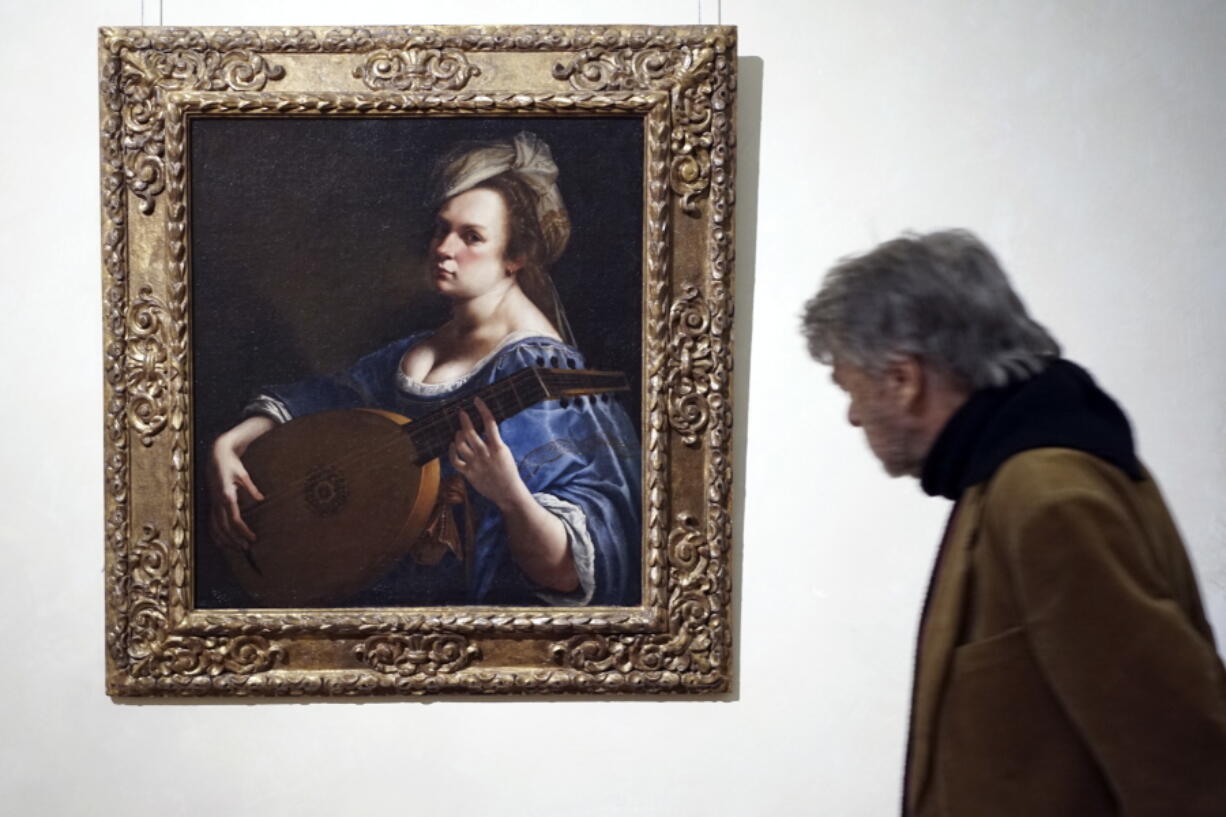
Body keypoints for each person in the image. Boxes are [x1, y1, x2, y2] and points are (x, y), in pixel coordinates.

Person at [801, 230, 1226, 817]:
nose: (852, 415)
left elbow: (1182, 766)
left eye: (852, 388)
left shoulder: (1047, 499)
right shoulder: (1000, 480)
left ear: (904, 380)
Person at [207, 131, 641, 607]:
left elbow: (567, 573)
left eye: (471, 237)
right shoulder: (417, 350)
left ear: (516, 257)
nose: (443, 248)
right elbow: (334, 399)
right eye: (441, 229)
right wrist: (233, 440)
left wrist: (509, 494)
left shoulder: (537, 370)